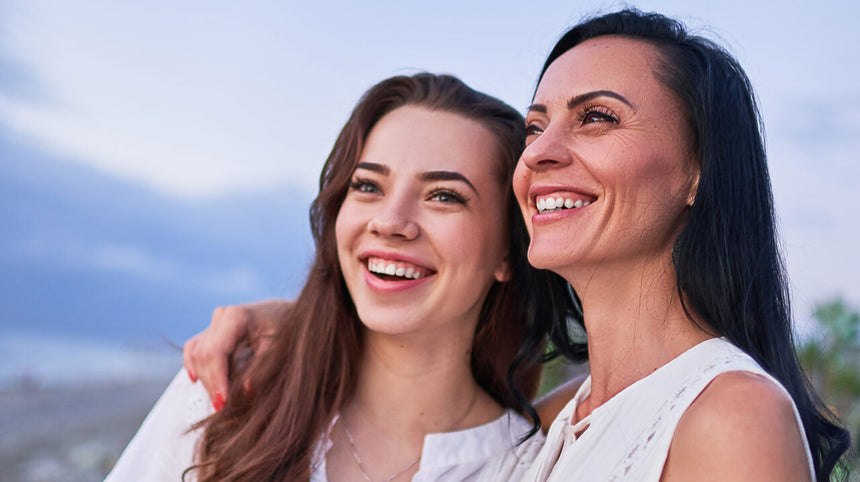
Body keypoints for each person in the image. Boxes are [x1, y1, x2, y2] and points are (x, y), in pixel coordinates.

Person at [185, 9, 851, 482]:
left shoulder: (731, 416)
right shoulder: (546, 424)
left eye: (595, 118)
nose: (541, 155)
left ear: (699, 172)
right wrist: (294, 323)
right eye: (535, 127)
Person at [107, 73, 585, 481]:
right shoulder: (228, 393)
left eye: (444, 195)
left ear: (508, 250)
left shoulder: (532, 468)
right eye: (368, 186)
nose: (390, 220)